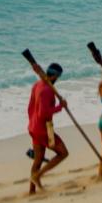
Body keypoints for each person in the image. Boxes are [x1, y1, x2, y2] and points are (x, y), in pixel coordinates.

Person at [27, 62, 69, 194]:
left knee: (38, 159)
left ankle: (32, 190)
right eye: (58, 78)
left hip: (33, 126)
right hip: (43, 128)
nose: (57, 80)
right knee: (63, 153)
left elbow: (30, 107)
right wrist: (60, 106)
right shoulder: (47, 90)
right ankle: (37, 176)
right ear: (54, 77)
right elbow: (44, 113)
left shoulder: (37, 85)